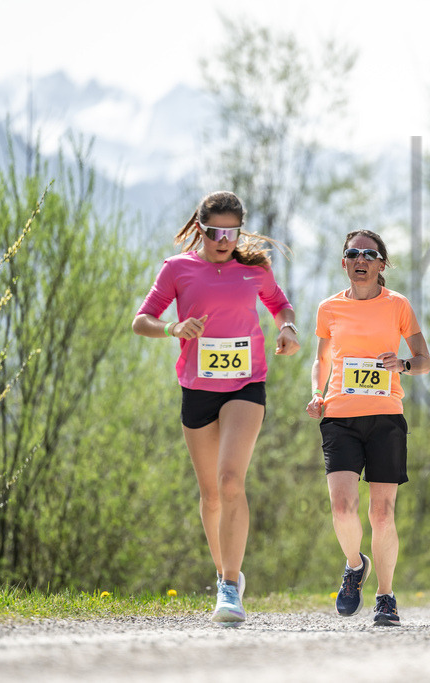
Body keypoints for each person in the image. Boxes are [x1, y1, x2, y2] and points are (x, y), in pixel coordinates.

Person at [132, 190, 300, 625]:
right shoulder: (177, 269)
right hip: (198, 388)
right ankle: (227, 574)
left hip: (246, 384)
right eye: (214, 232)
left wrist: (288, 329)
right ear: (200, 228)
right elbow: (141, 320)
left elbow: (280, 305)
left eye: (231, 232)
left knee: (230, 482)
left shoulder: (254, 270)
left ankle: (228, 588)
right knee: (210, 495)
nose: (223, 240)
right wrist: (173, 328)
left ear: (239, 231)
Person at [306, 229, 430, 627]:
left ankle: (385, 596)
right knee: (343, 507)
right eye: (353, 253)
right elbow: (322, 360)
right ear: (344, 261)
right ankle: (355, 565)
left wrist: (403, 365)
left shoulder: (398, 305)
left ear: (381, 264)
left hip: (386, 418)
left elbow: (424, 360)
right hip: (339, 416)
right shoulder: (329, 308)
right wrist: (316, 393)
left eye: (369, 254)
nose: (360, 259)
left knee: (382, 514)